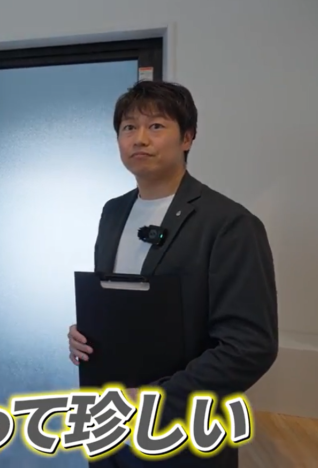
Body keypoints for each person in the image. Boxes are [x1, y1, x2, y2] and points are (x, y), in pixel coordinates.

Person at [67, 80, 279, 467]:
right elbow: (121, 304)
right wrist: (85, 335)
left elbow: (250, 346)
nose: (139, 138)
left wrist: (157, 401)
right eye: (128, 127)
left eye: (156, 126)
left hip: (183, 434)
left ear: (187, 137)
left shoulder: (229, 224)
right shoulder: (113, 212)